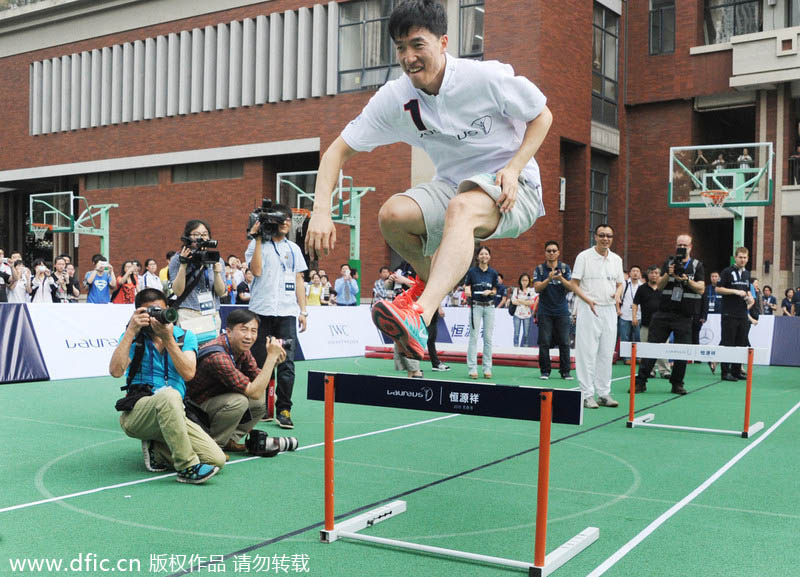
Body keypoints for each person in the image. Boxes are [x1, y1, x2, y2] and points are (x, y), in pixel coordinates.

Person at [305, 0, 552, 361]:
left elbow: (542, 116)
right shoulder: (395, 97)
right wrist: (321, 211)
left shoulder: (484, 78)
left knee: (462, 206)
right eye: (400, 48)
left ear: (443, 42)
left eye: (417, 45)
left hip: (515, 186)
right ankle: (429, 282)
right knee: (392, 215)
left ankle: (421, 313)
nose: (408, 58)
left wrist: (514, 168)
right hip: (452, 185)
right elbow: (335, 152)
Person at [108, 288, 224, 484]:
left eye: (158, 311)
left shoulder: (184, 336)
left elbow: (188, 373)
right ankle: (187, 467)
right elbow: (116, 371)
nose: (154, 318)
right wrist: (130, 331)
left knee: (216, 460)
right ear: (137, 314)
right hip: (139, 412)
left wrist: (168, 339)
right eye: (147, 313)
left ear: (168, 310)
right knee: (169, 395)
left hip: (176, 411)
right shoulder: (133, 337)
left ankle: (158, 451)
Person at [186, 309, 287, 454]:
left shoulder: (241, 349)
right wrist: (270, 358)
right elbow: (254, 391)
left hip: (218, 398)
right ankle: (212, 446)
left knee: (267, 398)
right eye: (244, 330)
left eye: (254, 331)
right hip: (196, 406)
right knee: (239, 401)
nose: (249, 336)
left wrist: (273, 363)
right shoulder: (218, 356)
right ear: (228, 331)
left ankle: (230, 440)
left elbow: (258, 380)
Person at [245, 204, 308, 430]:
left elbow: (299, 279)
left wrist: (303, 311)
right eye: (281, 219)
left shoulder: (294, 249)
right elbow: (257, 271)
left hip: (287, 312)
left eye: (288, 219)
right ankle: (259, 408)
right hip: (261, 310)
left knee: (287, 363)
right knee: (259, 361)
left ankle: (284, 408)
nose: (285, 222)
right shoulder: (255, 244)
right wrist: (259, 239)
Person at [633, 234, 705, 395]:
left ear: (691, 247)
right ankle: (641, 381)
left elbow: (701, 289)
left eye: (685, 245)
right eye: (680, 245)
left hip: (685, 316)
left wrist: (686, 280)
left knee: (682, 352)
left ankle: (677, 383)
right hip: (663, 313)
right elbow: (658, 286)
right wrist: (669, 274)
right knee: (651, 347)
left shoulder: (697, 265)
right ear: (676, 245)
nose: (682, 248)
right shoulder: (669, 263)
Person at [572, 224, 623, 408]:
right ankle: (586, 394)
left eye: (609, 236)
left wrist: (618, 294)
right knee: (586, 353)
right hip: (589, 308)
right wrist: (587, 300)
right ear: (595, 237)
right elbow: (574, 284)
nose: (605, 239)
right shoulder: (584, 257)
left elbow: (620, 284)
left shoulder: (616, 260)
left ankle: (604, 393)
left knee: (606, 352)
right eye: (602, 235)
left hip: (609, 310)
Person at [534, 240, 595, 380]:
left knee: (564, 342)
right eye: (549, 250)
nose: (551, 253)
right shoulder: (540, 269)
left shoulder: (565, 268)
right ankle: (545, 371)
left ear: (558, 253)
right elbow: (537, 288)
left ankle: (565, 371)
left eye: (554, 250)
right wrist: (548, 279)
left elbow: (571, 287)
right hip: (545, 311)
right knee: (544, 342)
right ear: (545, 253)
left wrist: (561, 278)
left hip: (562, 310)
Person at [169, 220, 227, 343]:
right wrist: (183, 265)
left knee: (211, 353)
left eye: (205, 234)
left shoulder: (216, 259)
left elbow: (222, 293)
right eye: (196, 234)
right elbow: (178, 291)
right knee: (189, 351)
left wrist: (217, 273)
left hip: (211, 314)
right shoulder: (177, 259)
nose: (201, 238)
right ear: (188, 237)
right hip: (188, 313)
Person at [716, 247, 757, 381]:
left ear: (748, 258)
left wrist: (749, 297)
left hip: (742, 313)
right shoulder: (727, 271)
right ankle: (725, 372)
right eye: (740, 257)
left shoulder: (746, 274)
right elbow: (718, 289)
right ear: (735, 257)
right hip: (729, 313)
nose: (743, 260)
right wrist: (735, 292)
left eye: (745, 258)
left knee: (741, 343)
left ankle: (736, 370)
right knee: (728, 342)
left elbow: (745, 290)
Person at [464, 245, 498, 379]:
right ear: (477, 257)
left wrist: (491, 292)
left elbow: (496, 290)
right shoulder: (472, 272)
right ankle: (472, 368)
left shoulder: (493, 273)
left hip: (489, 306)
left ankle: (487, 368)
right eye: (481, 254)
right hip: (476, 306)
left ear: (489, 257)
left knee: (488, 338)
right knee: (474, 337)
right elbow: (467, 286)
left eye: (486, 254)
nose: (484, 256)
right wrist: (467, 291)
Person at [632, 265, 671, 378]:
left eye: (656, 273)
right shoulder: (642, 288)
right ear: (647, 275)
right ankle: (650, 370)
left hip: (662, 325)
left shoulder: (664, 288)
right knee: (646, 349)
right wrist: (634, 317)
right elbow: (635, 304)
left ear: (660, 275)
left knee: (663, 349)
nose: (654, 275)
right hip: (646, 324)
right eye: (651, 273)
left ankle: (665, 371)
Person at [617, 265, 643, 348]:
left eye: (637, 271)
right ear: (629, 273)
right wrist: (618, 309)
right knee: (625, 338)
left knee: (638, 338)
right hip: (624, 314)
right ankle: (626, 358)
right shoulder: (624, 284)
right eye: (633, 271)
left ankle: (638, 357)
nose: (635, 273)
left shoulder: (642, 286)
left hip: (638, 315)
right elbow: (617, 297)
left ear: (640, 274)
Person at [510, 273, 535, 348]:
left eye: (526, 280)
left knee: (526, 333)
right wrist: (525, 302)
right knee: (516, 332)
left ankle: (525, 347)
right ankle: (515, 346)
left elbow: (531, 302)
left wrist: (520, 301)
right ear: (520, 281)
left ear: (529, 281)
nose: (524, 282)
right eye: (523, 280)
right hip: (517, 314)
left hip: (527, 314)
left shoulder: (531, 291)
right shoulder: (516, 290)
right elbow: (513, 301)